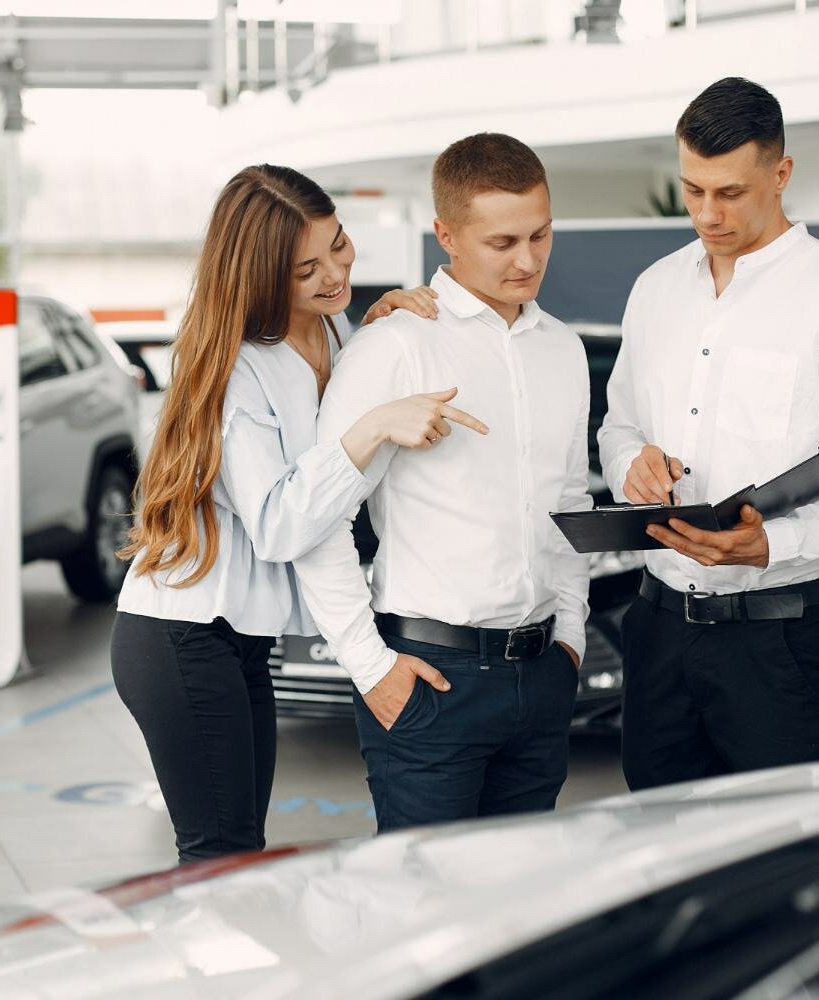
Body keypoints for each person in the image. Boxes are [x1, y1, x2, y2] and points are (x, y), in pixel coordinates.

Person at [110, 164, 486, 863]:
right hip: (180, 634)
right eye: (303, 269)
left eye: (338, 245)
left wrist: (377, 333)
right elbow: (281, 524)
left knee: (238, 853)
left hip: (239, 638)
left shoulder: (336, 328)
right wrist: (372, 424)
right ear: (257, 276)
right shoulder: (237, 369)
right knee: (219, 855)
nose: (333, 273)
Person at [598, 77, 819, 791]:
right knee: (654, 849)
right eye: (692, 190)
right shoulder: (655, 289)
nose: (707, 213)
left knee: (779, 859)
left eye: (730, 193)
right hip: (657, 632)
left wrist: (775, 542)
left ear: (781, 174)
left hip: (780, 644)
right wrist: (632, 465)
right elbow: (619, 423)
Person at [295, 133, 591, 833]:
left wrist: (571, 636)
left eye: (541, 234)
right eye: (502, 242)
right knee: (425, 916)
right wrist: (371, 669)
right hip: (430, 681)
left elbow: (570, 501)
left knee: (520, 907)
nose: (527, 260)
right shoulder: (394, 346)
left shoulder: (564, 350)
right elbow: (321, 521)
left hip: (543, 671)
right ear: (447, 235)